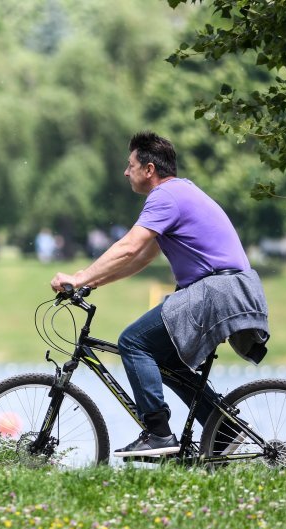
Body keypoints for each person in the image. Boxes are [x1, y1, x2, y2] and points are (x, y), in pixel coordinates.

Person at [50, 131, 269, 458]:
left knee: (133, 342)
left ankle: (158, 433)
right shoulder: (179, 194)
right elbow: (142, 257)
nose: (126, 172)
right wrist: (91, 283)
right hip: (230, 291)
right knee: (169, 361)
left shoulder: (165, 197)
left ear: (149, 169)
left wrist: (79, 275)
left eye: (131, 165)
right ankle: (222, 429)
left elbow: (129, 246)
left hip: (218, 291)